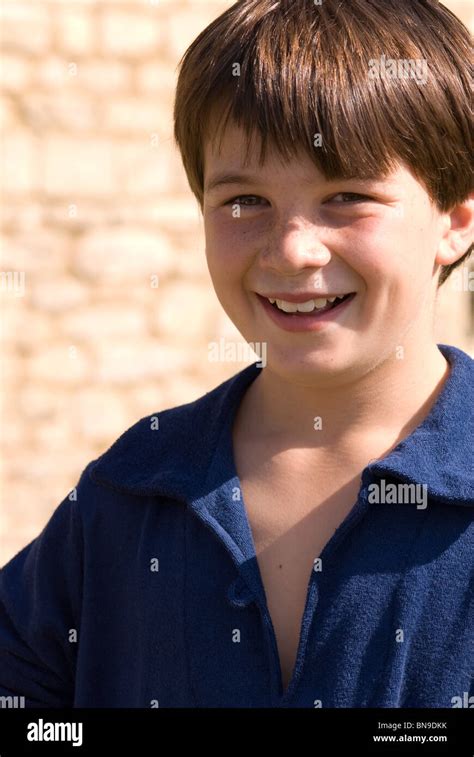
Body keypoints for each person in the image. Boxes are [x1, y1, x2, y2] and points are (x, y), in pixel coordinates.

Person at [0, 0, 472, 708]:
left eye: (346, 195)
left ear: (456, 220)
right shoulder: (129, 493)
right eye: (245, 201)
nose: (292, 249)